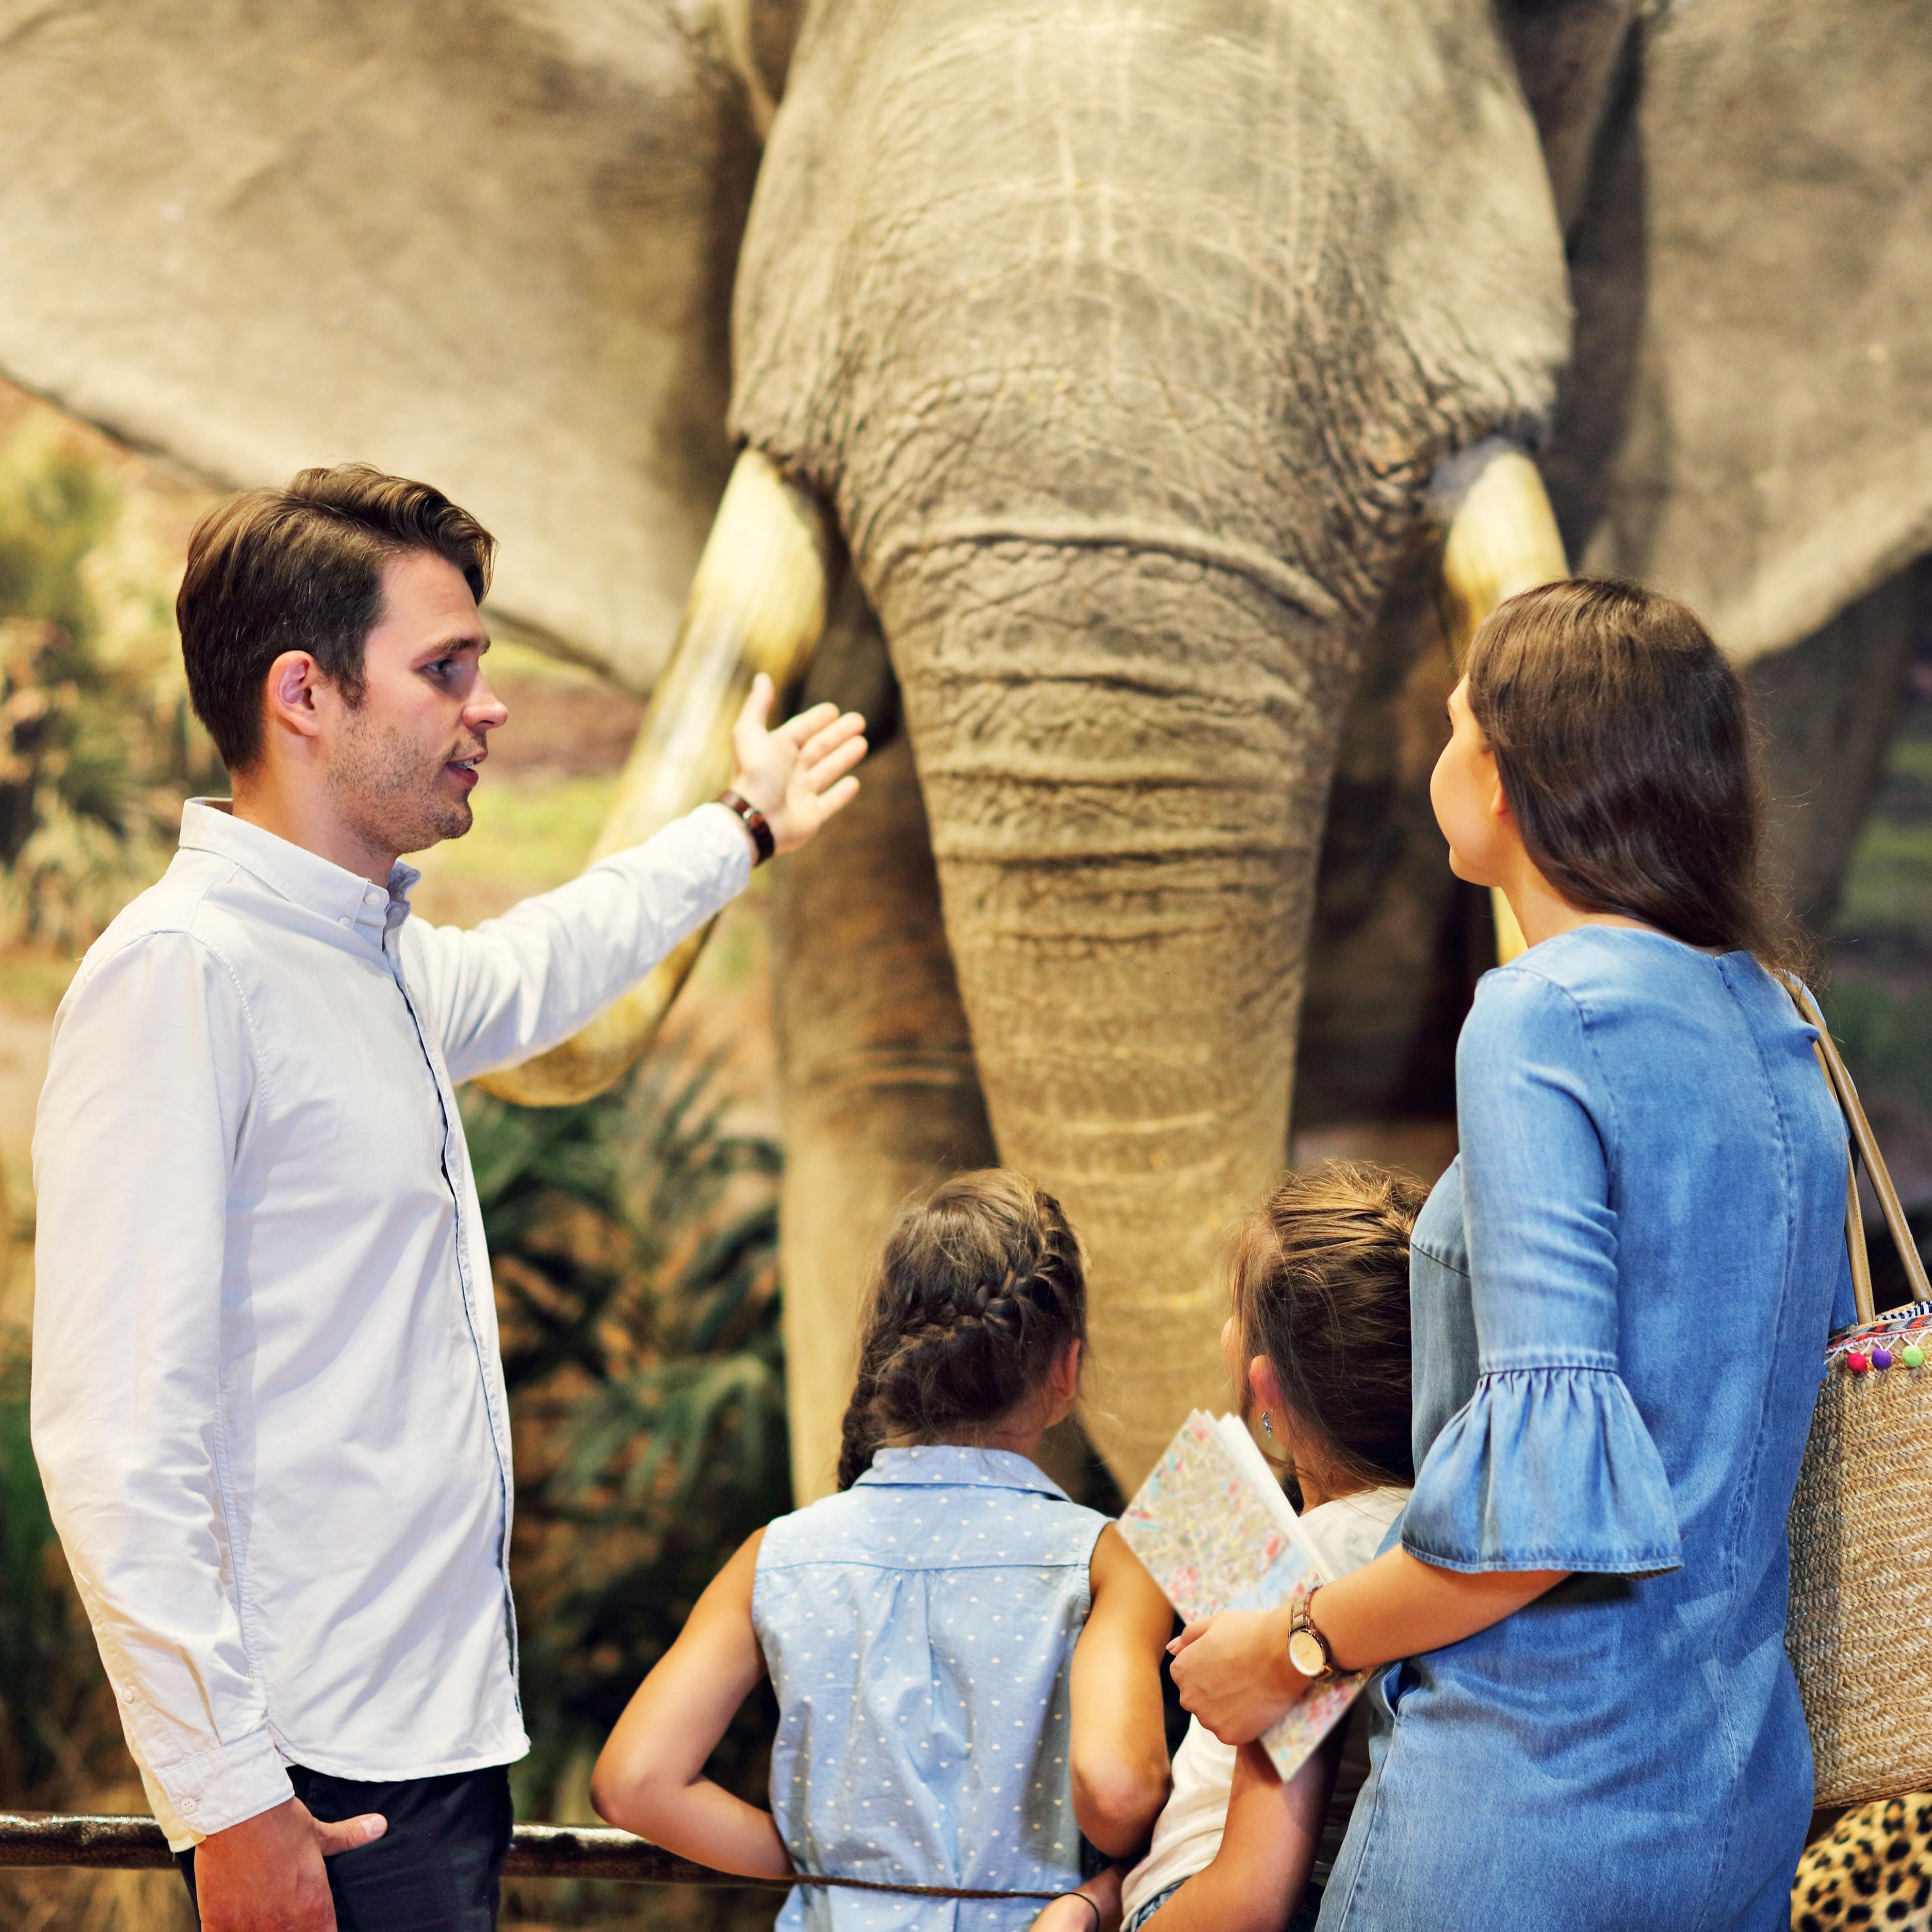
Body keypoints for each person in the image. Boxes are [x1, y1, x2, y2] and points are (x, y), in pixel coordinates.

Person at [29, 464, 867, 1932]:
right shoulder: (186, 972)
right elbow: (111, 1434)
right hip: (314, 1783)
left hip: (435, 1747)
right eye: (445, 670)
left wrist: (741, 821)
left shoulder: (377, 962)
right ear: (304, 693)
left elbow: (556, 957)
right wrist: (231, 1801)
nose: (488, 707)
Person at [1168, 578, 1856, 1930]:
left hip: (1532, 1799)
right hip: (1740, 1792)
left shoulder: (1537, 1015)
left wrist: (1289, 1645)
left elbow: (1535, 1527)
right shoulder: (1782, 1015)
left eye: (1455, 720)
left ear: (1509, 774)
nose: (1443, 746)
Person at [591, 1169, 1176, 1931]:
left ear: (892, 1357)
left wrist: (818, 1860)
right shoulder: (1103, 1558)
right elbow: (1120, 1791)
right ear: (1063, 1371)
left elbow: (635, 1782)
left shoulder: (776, 1555)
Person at [1117, 1163, 1419, 1932]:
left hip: (1195, 1895)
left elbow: (1249, 1898)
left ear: (1267, 1390)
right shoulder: (1449, 1544)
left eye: (1234, 1314)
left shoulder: (1282, 1572)